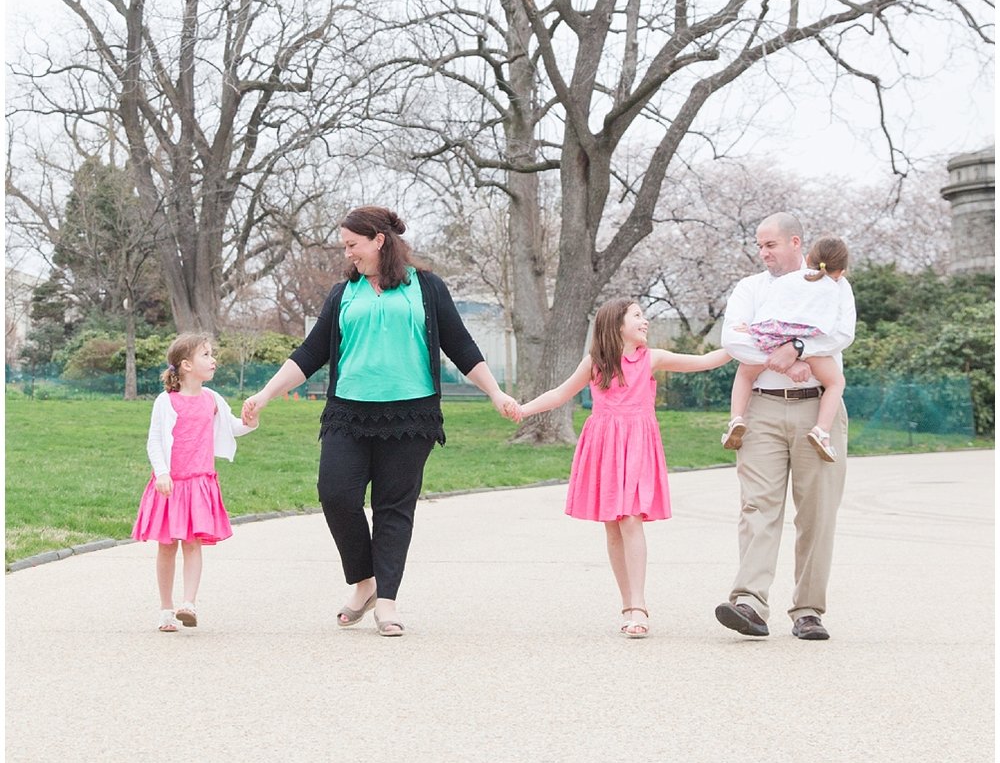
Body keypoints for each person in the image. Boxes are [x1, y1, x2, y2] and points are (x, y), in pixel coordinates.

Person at [241, 206, 519, 636]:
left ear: (379, 241)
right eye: (346, 247)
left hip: (411, 414)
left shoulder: (426, 288)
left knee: (393, 507)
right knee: (335, 495)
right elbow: (311, 353)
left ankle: (386, 601)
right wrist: (265, 394)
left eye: (353, 245)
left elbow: (461, 346)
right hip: (348, 412)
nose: (348, 254)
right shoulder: (343, 293)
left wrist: (496, 392)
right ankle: (365, 581)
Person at [516, 298, 731, 638]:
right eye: (637, 316)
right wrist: (523, 410)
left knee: (631, 518)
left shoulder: (651, 358)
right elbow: (560, 394)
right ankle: (627, 603)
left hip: (637, 444)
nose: (645, 321)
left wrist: (741, 344)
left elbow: (704, 361)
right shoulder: (595, 363)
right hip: (604, 443)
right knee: (612, 525)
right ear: (617, 325)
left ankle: (640, 605)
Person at [715, 212, 856, 643]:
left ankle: (808, 610)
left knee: (818, 514)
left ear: (796, 242)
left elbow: (841, 335)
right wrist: (787, 354)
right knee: (758, 507)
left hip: (819, 410)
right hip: (763, 409)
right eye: (759, 245)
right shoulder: (750, 289)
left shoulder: (836, 285)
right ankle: (750, 603)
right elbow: (732, 340)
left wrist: (793, 348)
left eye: (770, 244)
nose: (763, 253)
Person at [132, 333, 256, 632]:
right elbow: (155, 440)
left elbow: (232, 427)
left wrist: (250, 422)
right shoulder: (166, 402)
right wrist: (161, 472)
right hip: (170, 485)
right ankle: (165, 608)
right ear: (186, 365)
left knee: (192, 544)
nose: (213, 360)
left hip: (199, 484)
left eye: (211, 354)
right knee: (166, 547)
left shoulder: (212, 399)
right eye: (206, 355)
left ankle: (188, 603)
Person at [722, 234, 850, 462]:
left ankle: (736, 419)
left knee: (744, 373)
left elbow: (770, 310)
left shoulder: (786, 281)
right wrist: (799, 350)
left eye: (769, 244)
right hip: (809, 344)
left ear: (808, 256)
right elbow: (836, 330)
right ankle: (821, 431)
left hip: (773, 337)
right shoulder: (835, 287)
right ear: (841, 271)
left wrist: (753, 331)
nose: (763, 251)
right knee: (836, 382)